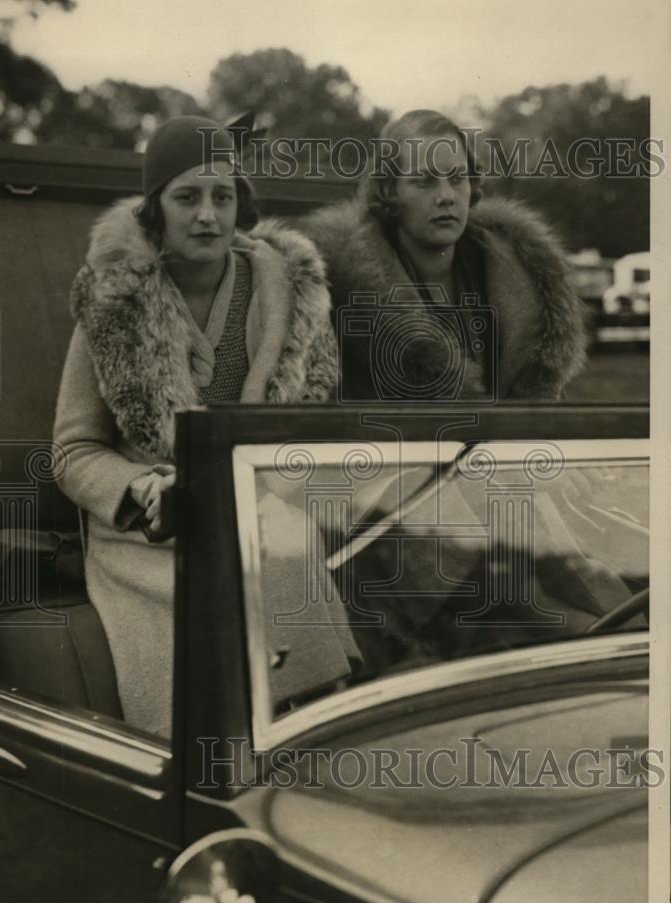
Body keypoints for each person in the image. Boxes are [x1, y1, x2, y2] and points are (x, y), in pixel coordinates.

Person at [53, 115, 338, 738]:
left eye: (222, 196)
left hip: (265, 517)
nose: (207, 215)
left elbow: (317, 431)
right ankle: (199, 783)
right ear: (156, 213)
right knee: (201, 658)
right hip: (153, 542)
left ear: (242, 207)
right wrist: (139, 490)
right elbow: (73, 452)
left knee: (286, 567)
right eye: (187, 198)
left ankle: (305, 742)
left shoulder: (293, 297)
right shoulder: (114, 301)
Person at [301, 109, 587, 401]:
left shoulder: (523, 277)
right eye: (424, 181)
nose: (446, 195)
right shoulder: (339, 290)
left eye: (457, 178)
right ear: (389, 189)